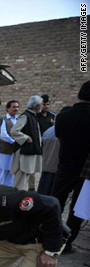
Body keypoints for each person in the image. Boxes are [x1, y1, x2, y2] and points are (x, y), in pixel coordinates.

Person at [51, 80, 90, 253]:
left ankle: (50, 236)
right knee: (78, 207)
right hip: (85, 170)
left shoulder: (64, 115)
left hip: (65, 164)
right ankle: (67, 241)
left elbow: (58, 134)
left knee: (56, 201)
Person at [9, 96, 43, 191]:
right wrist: (25, 137)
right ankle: (16, 195)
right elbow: (14, 131)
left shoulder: (33, 116)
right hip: (24, 151)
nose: (41, 106)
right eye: (40, 104)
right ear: (35, 105)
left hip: (31, 151)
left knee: (28, 173)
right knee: (22, 175)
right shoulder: (25, 116)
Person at [0, 100, 20, 186]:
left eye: (17, 107)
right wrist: (14, 142)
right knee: (2, 171)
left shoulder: (19, 120)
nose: (16, 109)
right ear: (8, 109)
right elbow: (3, 135)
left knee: (12, 171)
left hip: (16, 151)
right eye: (14, 107)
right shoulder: (4, 120)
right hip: (5, 151)